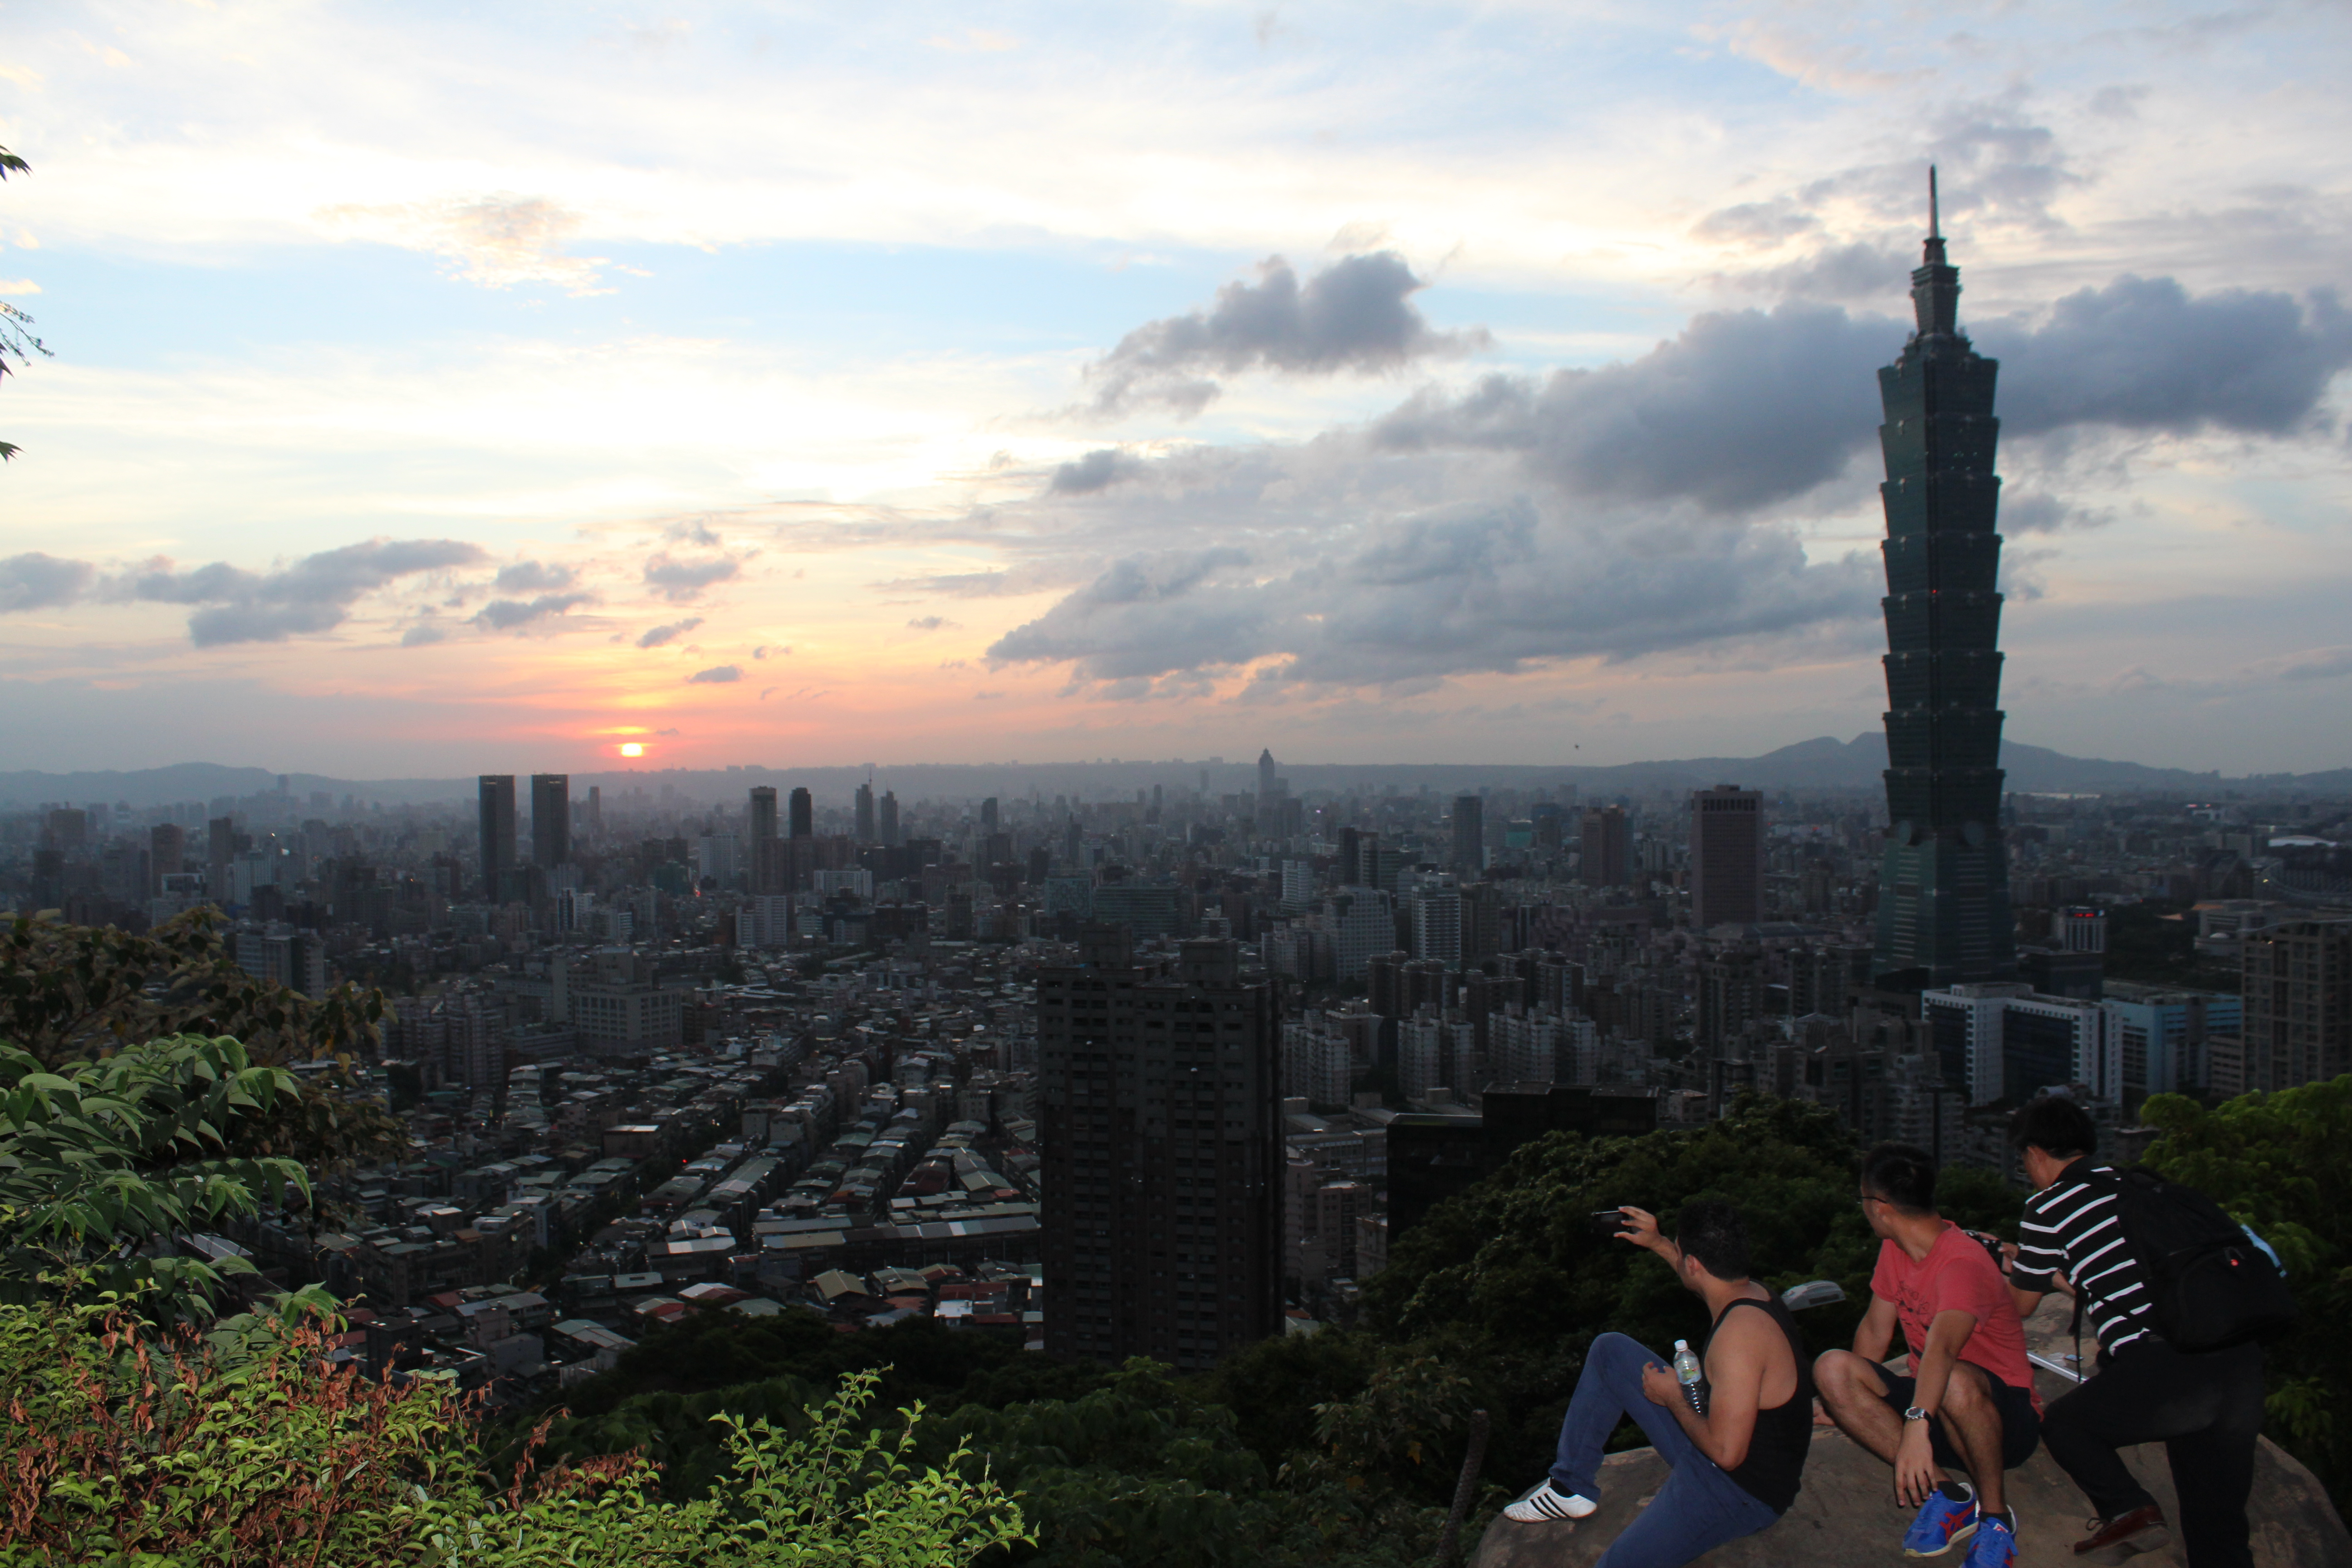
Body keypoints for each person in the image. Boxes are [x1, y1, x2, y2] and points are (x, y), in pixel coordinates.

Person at [2006, 1096, 2268, 1568]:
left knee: (2066, 1425)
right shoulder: (2142, 1186)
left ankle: (2128, 1510)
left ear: (2035, 1154)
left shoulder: (2047, 1205)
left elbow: (2020, 1306)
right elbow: (2113, 1275)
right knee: (2220, 1536)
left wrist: (2006, 1267)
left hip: (2170, 1371)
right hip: (2237, 1364)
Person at [1502, 1199, 1813, 1568]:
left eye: (1681, 1252)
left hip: (1738, 1489)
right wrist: (1661, 1244)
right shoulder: (1752, 1294)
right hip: (1723, 1443)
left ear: (1694, 1263)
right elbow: (1700, 1280)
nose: (1679, 1257)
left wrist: (1673, 1399)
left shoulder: (1739, 1338)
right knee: (1611, 1352)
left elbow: (1728, 1455)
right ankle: (1571, 1487)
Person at [1813, 1143, 2039, 1568]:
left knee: (1952, 1378)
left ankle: (1995, 1519)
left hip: (2000, 1421)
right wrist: (1845, 1403)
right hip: (1936, 1410)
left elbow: (1942, 1348)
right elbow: (1876, 1329)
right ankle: (1949, 1494)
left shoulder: (1962, 1262)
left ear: (1880, 1207)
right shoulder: (1896, 1249)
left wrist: (1917, 1425)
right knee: (1831, 1366)